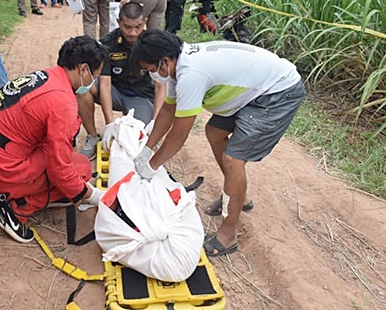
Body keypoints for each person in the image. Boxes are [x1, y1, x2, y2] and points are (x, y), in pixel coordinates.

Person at [130, 30, 306, 257]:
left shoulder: (191, 73)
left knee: (234, 158)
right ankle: (239, 197)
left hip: (278, 92)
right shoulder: (178, 67)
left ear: (164, 61)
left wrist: (151, 167)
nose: (152, 75)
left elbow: (179, 134)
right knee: (214, 131)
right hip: (256, 88)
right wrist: (146, 149)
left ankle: (228, 234)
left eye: (151, 70)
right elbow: (167, 110)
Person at [0, 36, 108, 243]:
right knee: (80, 170)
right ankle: (15, 209)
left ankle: (20, 190)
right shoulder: (63, 102)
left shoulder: (46, 76)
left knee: (66, 162)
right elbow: (61, 169)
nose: (92, 83)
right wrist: (93, 196)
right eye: (94, 75)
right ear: (83, 69)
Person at [77, 2, 165, 158]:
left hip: (140, 96)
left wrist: (156, 122)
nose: (132, 33)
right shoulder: (108, 44)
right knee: (82, 86)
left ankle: (141, 124)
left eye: (138, 27)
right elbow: (105, 83)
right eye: (127, 27)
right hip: (115, 92)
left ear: (145, 21)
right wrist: (110, 123)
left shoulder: (153, 44)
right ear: (118, 22)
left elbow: (160, 87)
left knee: (135, 141)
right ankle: (92, 136)